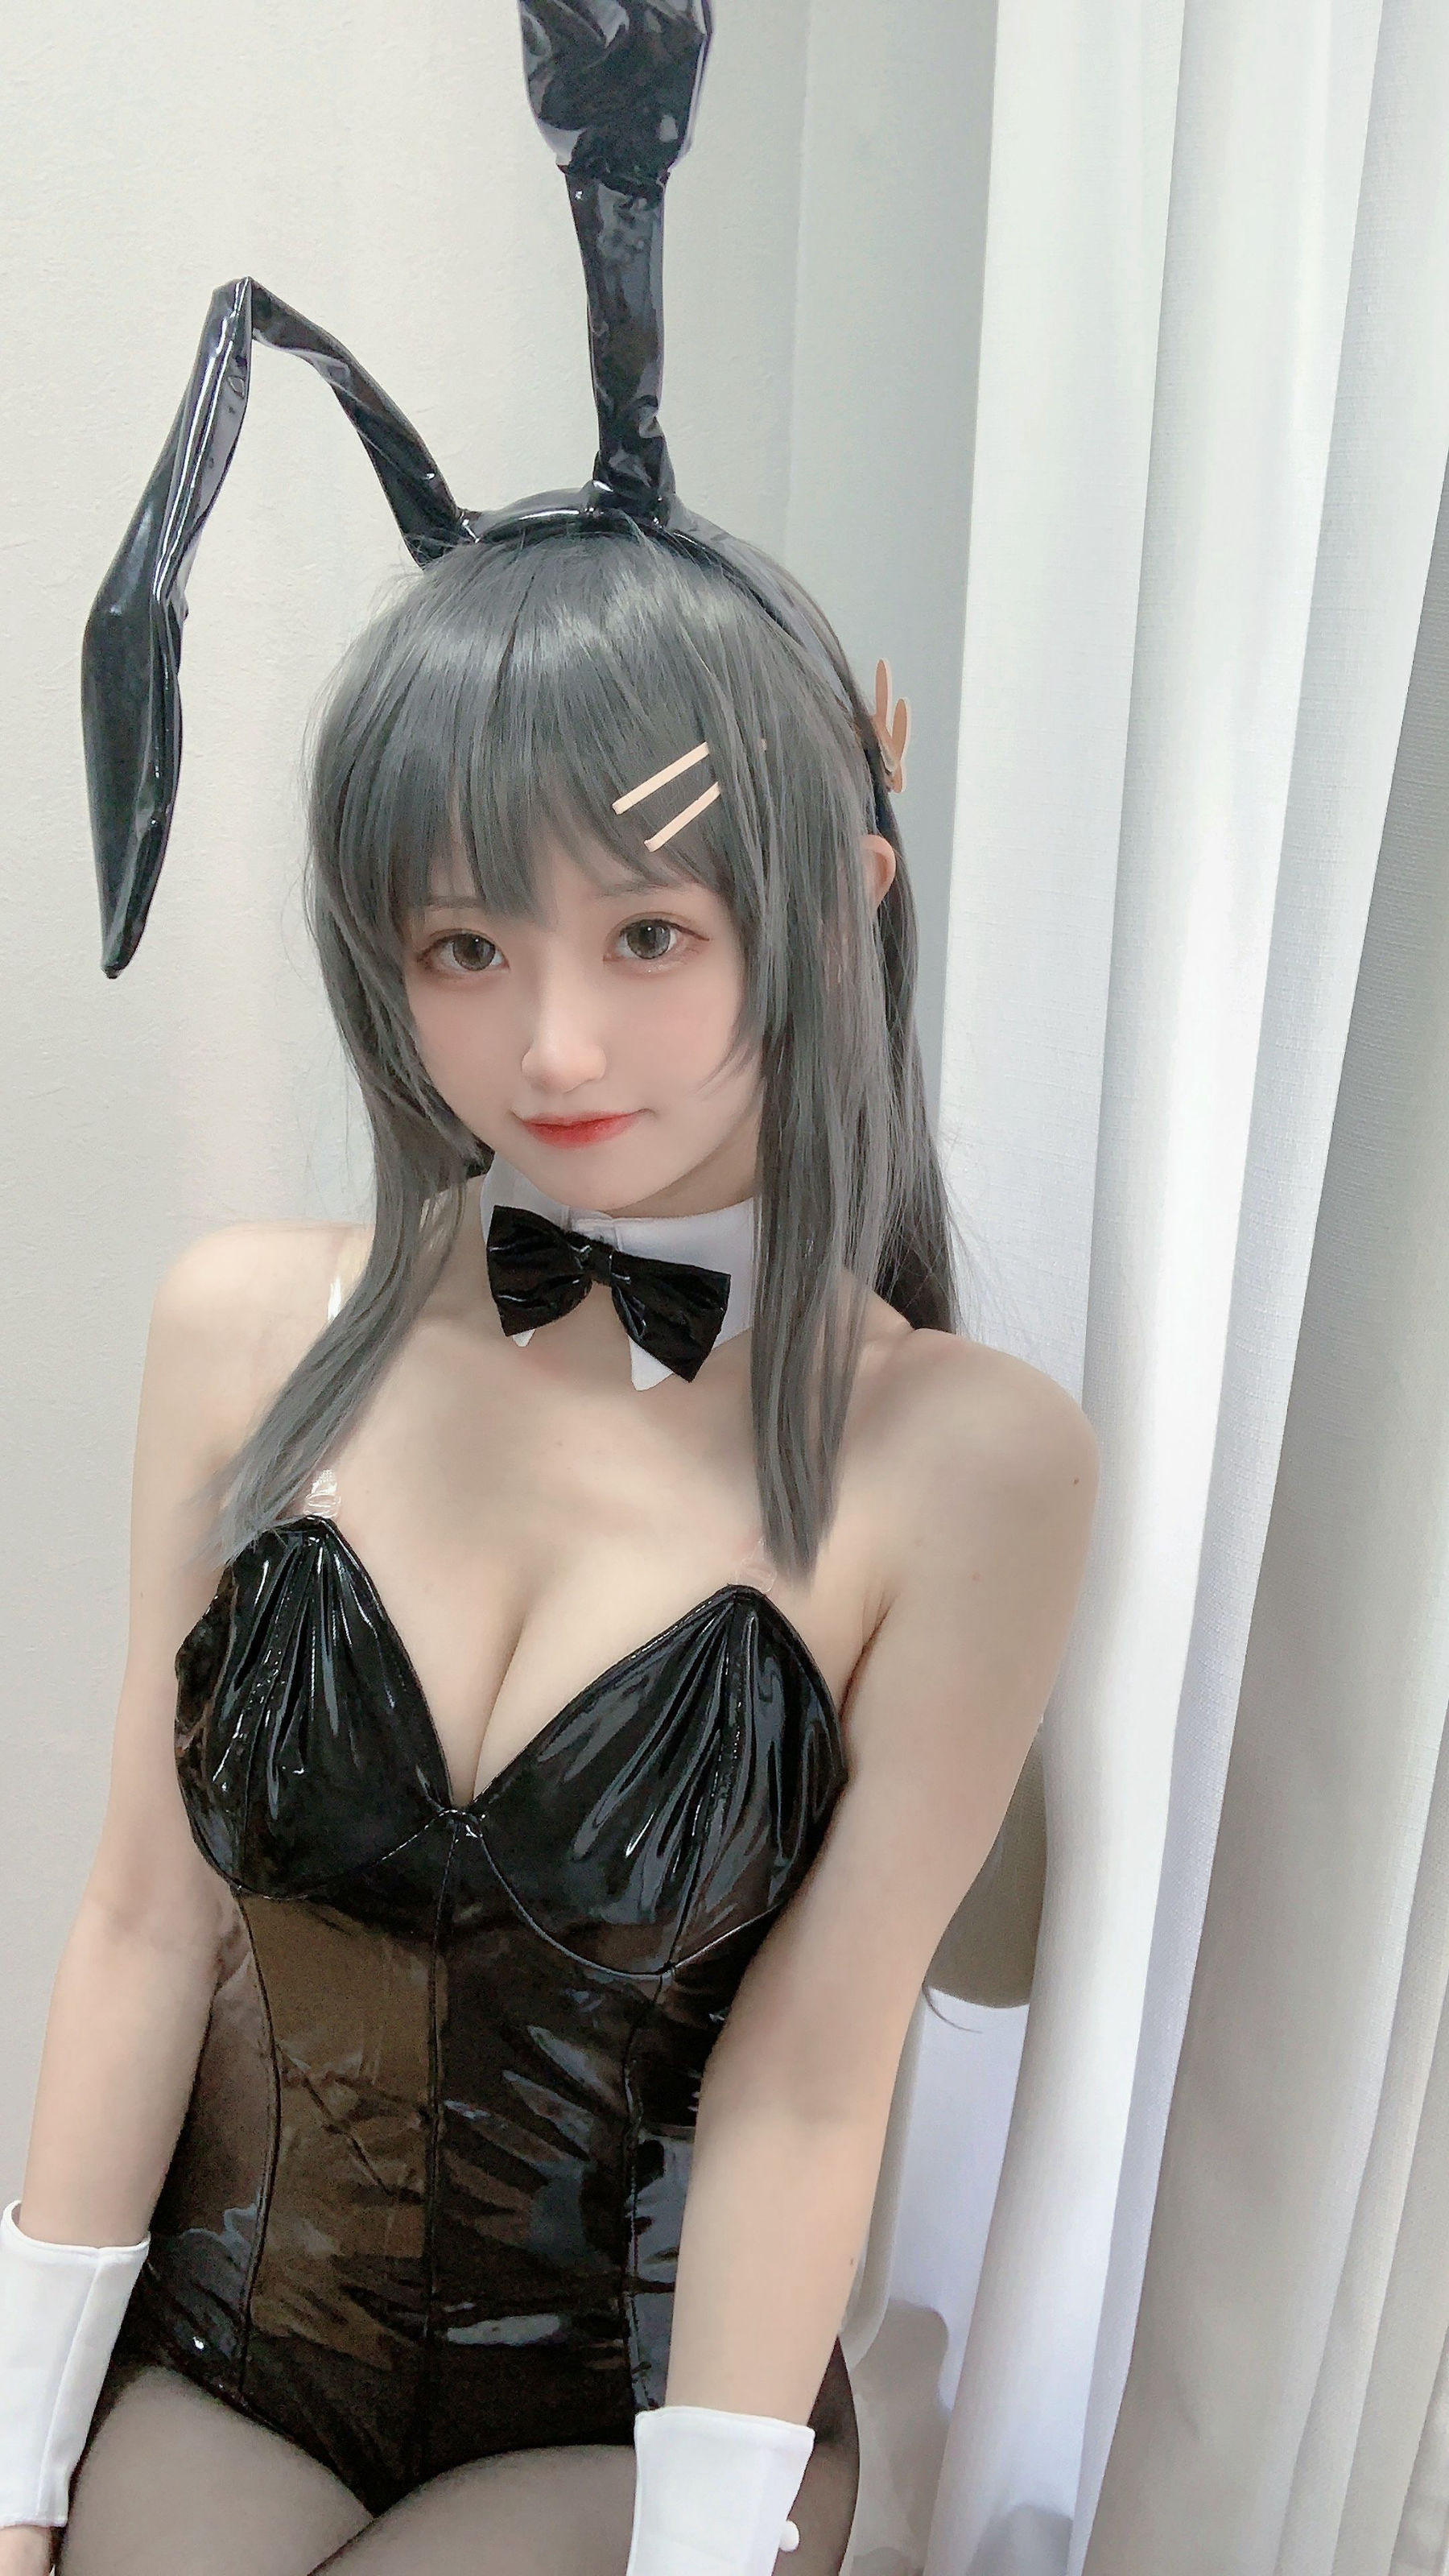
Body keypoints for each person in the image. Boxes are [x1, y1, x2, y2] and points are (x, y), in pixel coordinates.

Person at [0, 514, 1098, 2576]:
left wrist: (704, 2550)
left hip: (652, 2416)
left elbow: (808, 2081)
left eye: (651, 935)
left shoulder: (967, 1459)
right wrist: (16, 2468)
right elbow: (144, 1920)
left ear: (834, 910)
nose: (555, 1048)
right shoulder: (246, 1328)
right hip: (241, 2360)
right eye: (466, 947)